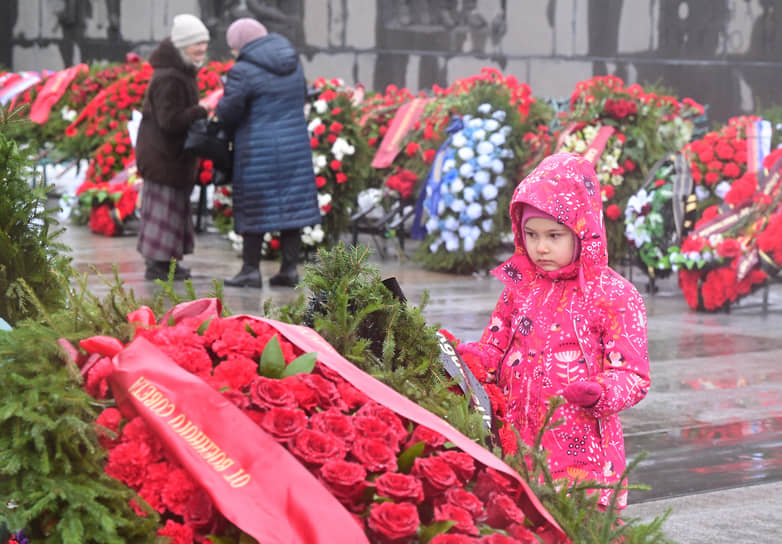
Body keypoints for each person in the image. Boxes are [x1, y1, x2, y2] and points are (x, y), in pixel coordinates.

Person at [457, 152, 650, 509]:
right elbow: (495, 345)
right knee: (521, 516)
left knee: (578, 519)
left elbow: (633, 373)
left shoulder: (612, 295)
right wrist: (471, 359)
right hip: (516, 436)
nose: (540, 247)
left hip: (580, 444)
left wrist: (601, 392)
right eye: (530, 234)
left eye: (554, 235)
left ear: (583, 231)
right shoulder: (521, 285)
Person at [216, 17, 320, 288]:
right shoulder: (292, 62)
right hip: (294, 146)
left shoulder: (243, 70)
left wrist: (219, 105)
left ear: (241, 44)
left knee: (255, 205)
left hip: (257, 148)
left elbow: (229, 112)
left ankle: (250, 270)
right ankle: (289, 270)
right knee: (292, 208)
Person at [135, 13, 210, 280]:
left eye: (204, 43)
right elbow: (169, 121)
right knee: (162, 211)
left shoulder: (180, 70)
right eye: (196, 44)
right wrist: (202, 110)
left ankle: (168, 263)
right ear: (181, 45)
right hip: (162, 157)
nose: (202, 49)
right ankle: (157, 265)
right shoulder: (170, 77)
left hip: (170, 157)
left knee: (173, 210)